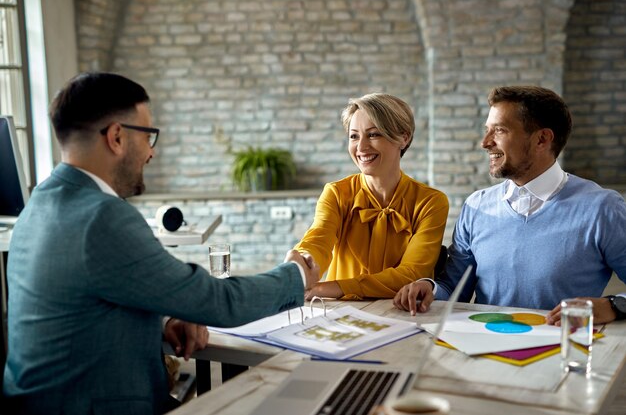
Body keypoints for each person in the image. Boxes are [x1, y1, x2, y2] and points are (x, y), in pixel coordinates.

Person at [2, 72, 319, 415]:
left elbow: (83, 307)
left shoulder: (39, 204)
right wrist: (296, 275)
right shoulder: (103, 217)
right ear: (117, 137)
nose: (151, 153)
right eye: (149, 136)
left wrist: (164, 321)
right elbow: (216, 300)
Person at [393, 85, 626, 323]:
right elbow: (453, 289)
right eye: (487, 131)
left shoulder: (603, 209)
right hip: (481, 352)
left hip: (558, 353)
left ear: (542, 139)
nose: (485, 142)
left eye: (499, 131)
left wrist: (612, 306)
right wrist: (428, 289)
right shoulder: (476, 207)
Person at [294, 93, 449, 300]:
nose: (361, 147)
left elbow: (412, 273)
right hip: (342, 315)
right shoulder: (337, 193)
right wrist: (301, 262)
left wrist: (332, 288)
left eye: (374, 135)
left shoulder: (431, 202)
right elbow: (318, 239)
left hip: (402, 314)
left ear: (404, 138)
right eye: (354, 136)